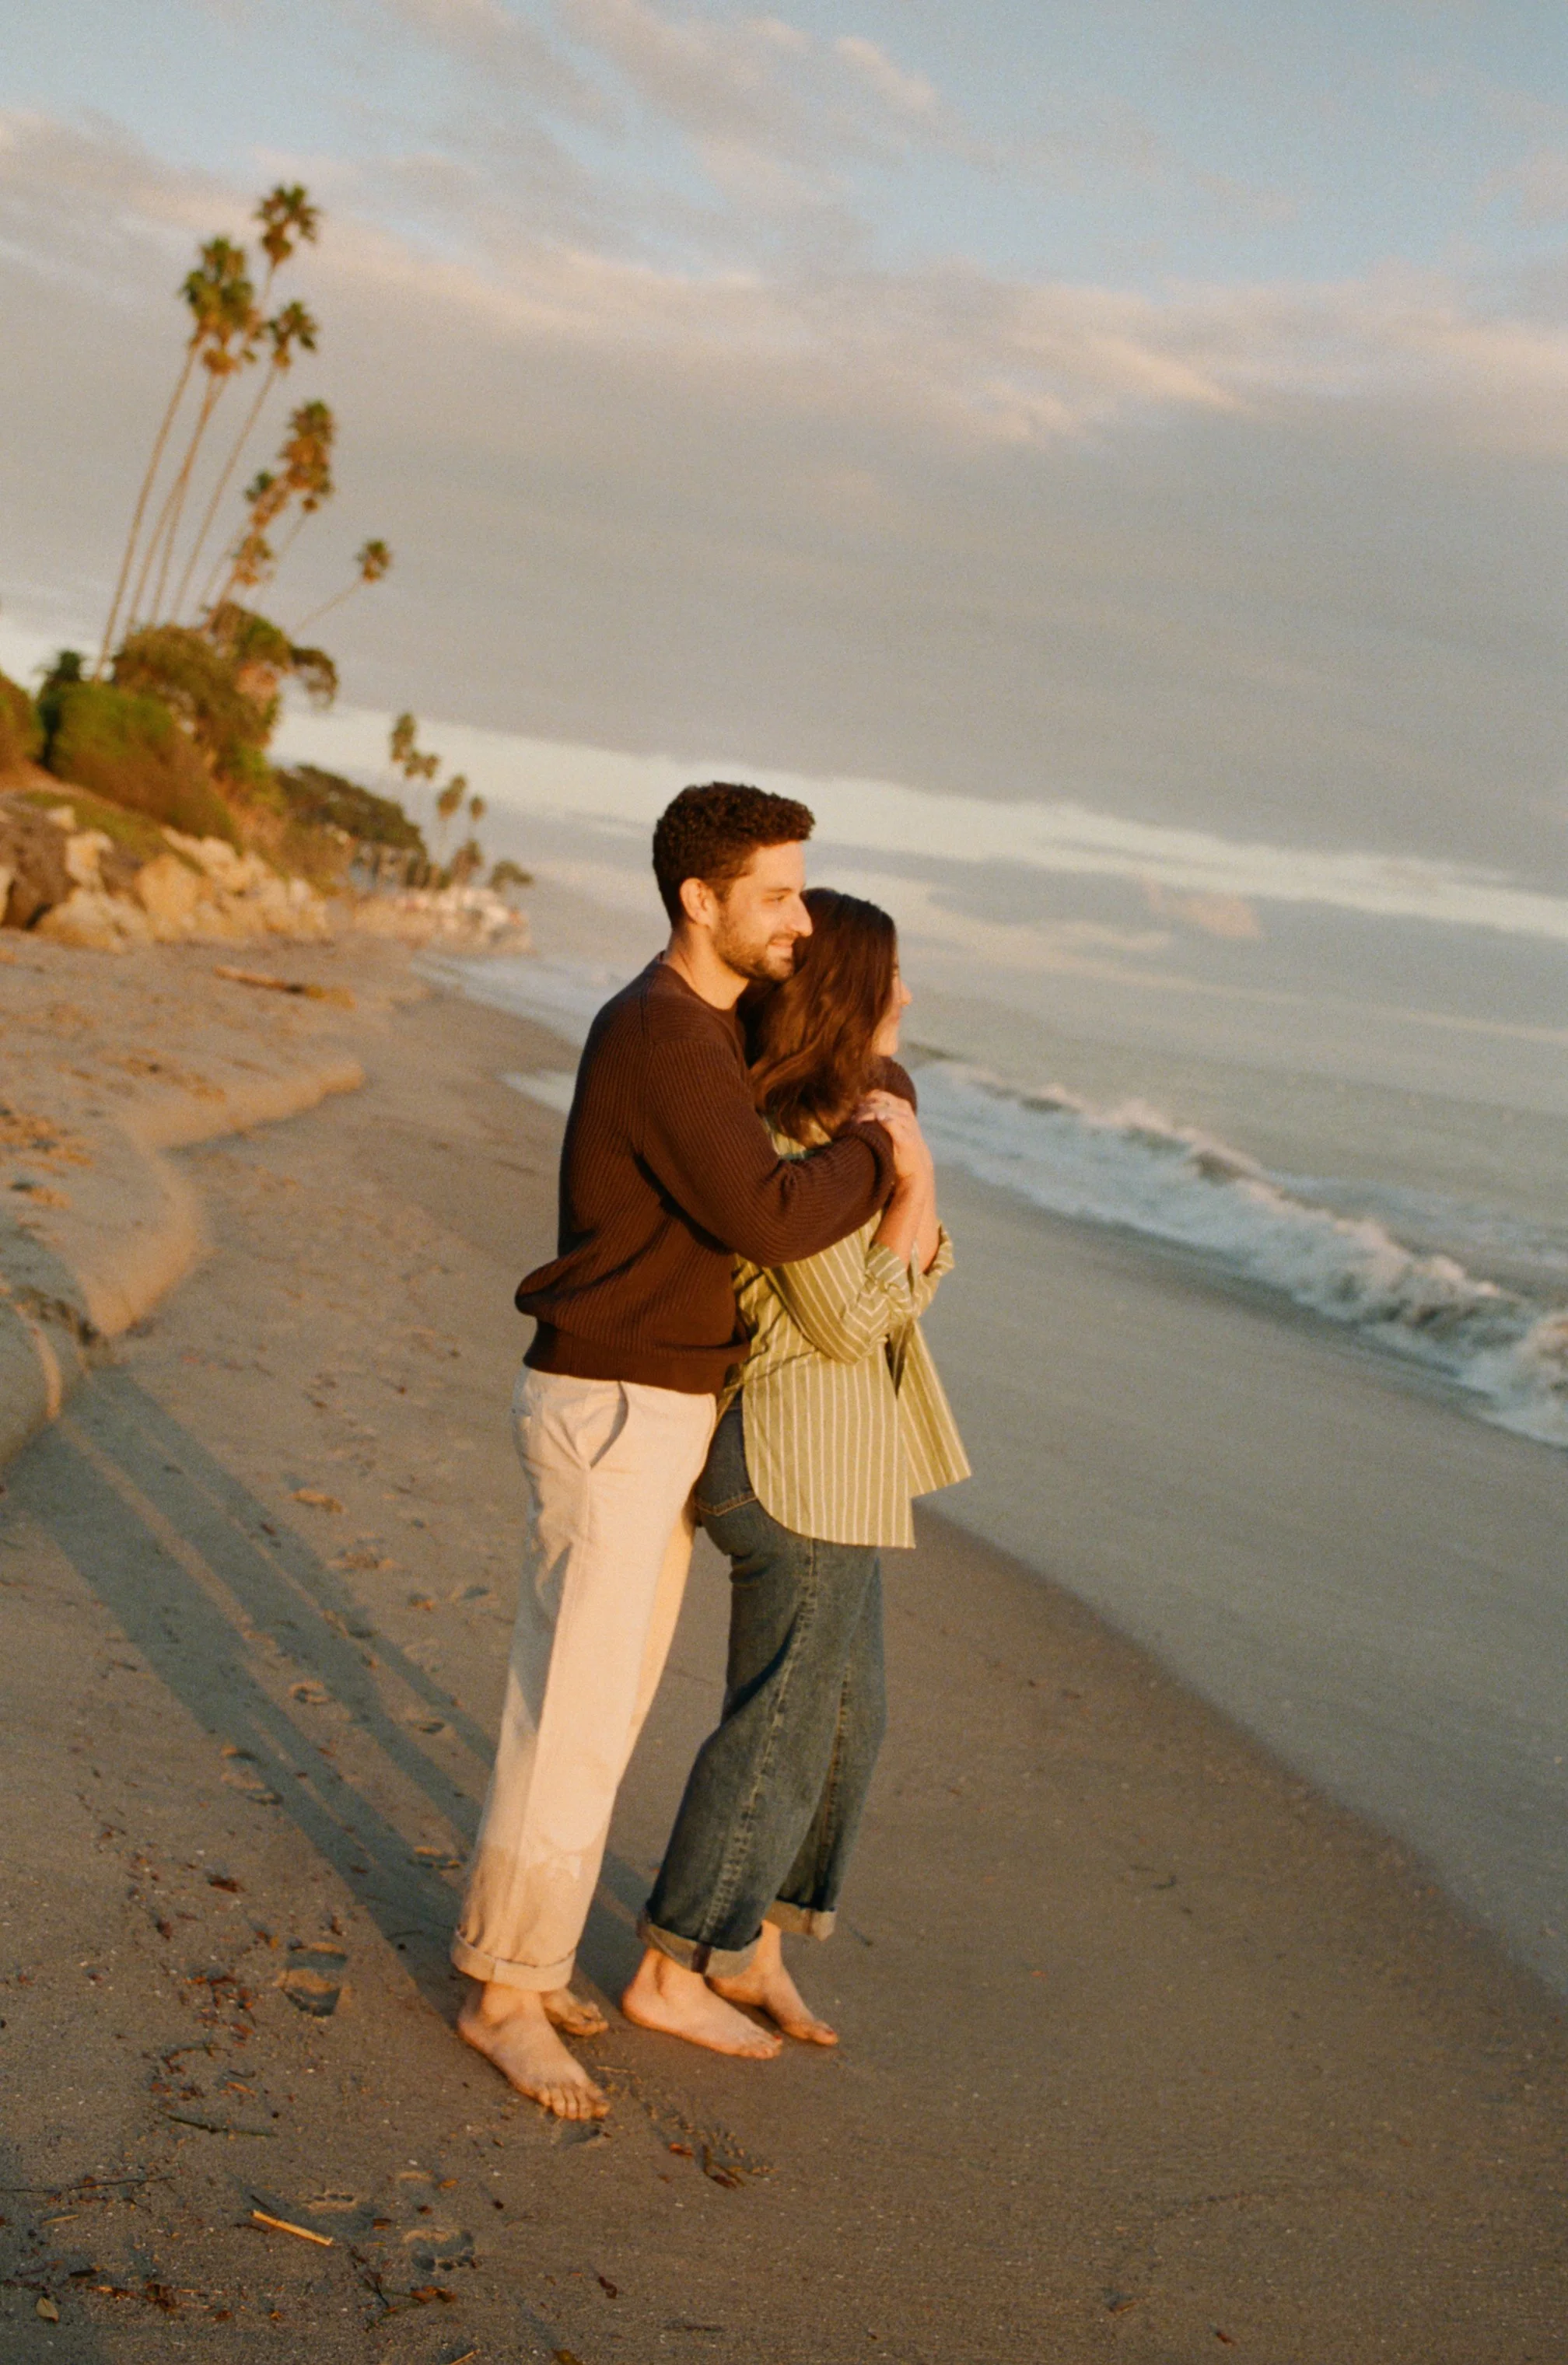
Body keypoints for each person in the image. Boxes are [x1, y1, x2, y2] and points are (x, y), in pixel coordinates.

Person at [453, 787, 923, 2121]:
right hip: (612, 1404)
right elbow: (767, 1215)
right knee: (571, 1716)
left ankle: (535, 1963)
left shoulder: (703, 1028)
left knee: (601, 1719)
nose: (799, 919)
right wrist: (881, 1149)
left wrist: (874, 1102)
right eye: (776, 894)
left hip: (653, 1407)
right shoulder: (660, 1030)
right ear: (698, 900)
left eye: (800, 891)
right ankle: (502, 1996)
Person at [621, 888, 970, 2059]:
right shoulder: (781, 1143)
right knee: (779, 1725)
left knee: (846, 1726)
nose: (909, 995)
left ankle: (752, 1946)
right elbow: (853, 1318)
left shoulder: (846, 1131)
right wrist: (912, 1186)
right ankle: (673, 1963)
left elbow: (913, 1286)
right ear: (848, 994)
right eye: (892, 977)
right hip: (789, 1464)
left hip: (849, 1467)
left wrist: (913, 1190)